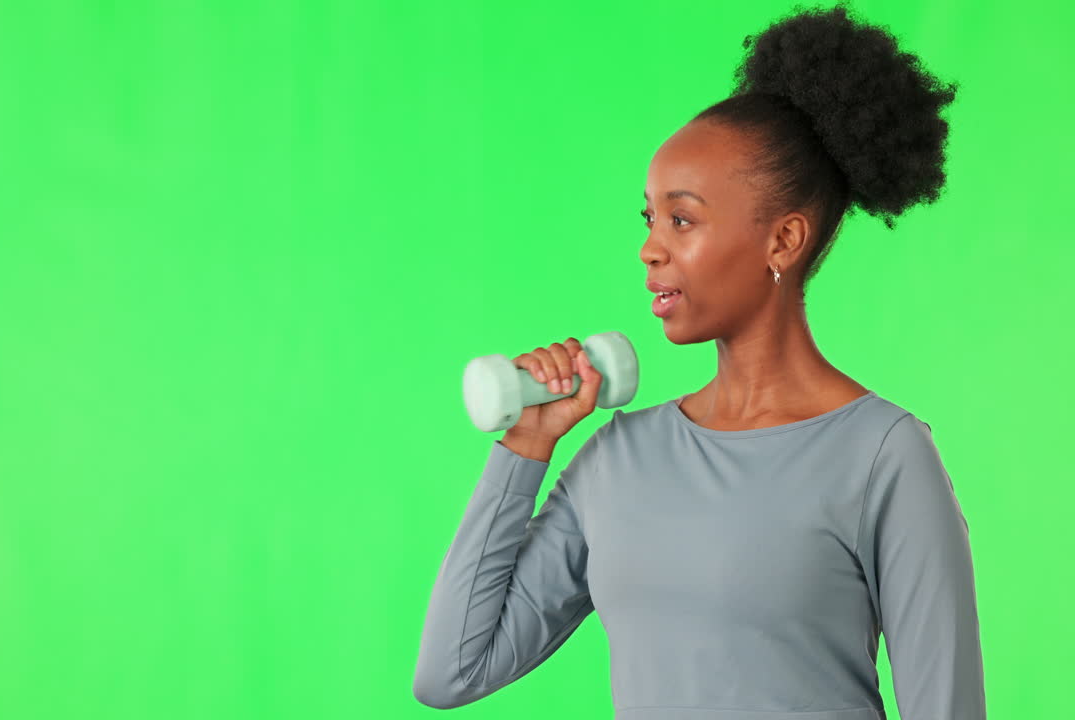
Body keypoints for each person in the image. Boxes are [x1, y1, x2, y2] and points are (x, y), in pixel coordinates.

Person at [412, 4, 985, 720]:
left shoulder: (883, 455)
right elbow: (452, 672)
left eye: (681, 219)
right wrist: (528, 441)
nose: (651, 249)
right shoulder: (619, 457)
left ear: (783, 242)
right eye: (649, 218)